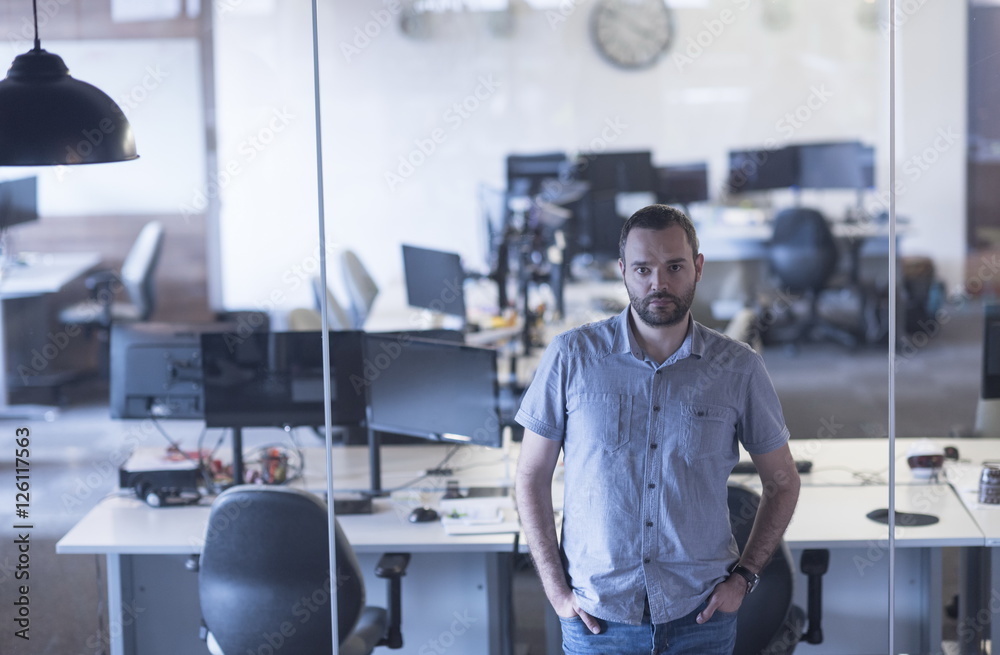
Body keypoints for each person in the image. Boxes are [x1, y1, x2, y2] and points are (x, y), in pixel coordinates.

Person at [514, 204, 800, 654]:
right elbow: (530, 476)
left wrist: (744, 578)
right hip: (598, 622)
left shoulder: (737, 368)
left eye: (674, 267)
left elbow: (782, 482)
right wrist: (555, 590)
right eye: (644, 269)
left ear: (698, 268)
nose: (658, 284)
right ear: (624, 271)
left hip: (700, 617)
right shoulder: (571, 357)